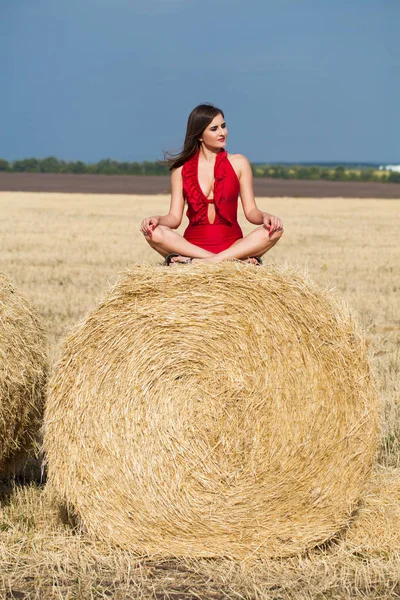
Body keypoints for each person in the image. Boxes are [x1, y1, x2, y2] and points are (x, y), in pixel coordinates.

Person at [140, 104, 283, 265]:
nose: (222, 133)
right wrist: (157, 219)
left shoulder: (239, 163)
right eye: (214, 129)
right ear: (200, 135)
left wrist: (265, 216)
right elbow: (174, 218)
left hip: (234, 246)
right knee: (152, 233)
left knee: (275, 231)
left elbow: (251, 211)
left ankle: (204, 262)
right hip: (191, 247)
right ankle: (227, 262)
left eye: (223, 126)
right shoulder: (180, 170)